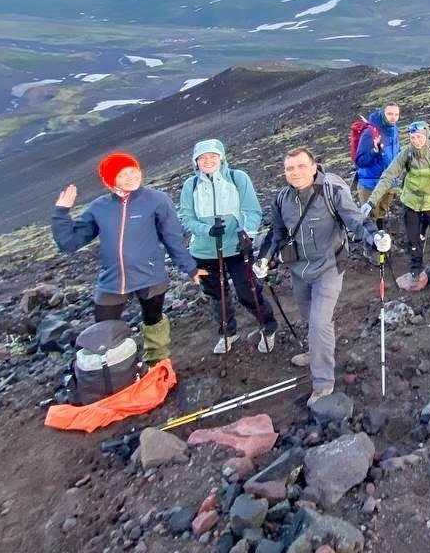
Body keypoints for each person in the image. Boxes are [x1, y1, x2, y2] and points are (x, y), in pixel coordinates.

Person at [52, 151, 201, 363]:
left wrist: (191, 269)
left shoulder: (157, 200)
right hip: (112, 281)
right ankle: (113, 368)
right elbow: (69, 243)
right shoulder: (99, 207)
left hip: (150, 277)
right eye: (123, 174)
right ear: (110, 180)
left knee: (153, 320)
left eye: (134, 171)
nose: (132, 177)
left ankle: (158, 363)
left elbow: (172, 239)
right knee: (102, 329)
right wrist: (61, 212)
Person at [263, 146, 383, 406]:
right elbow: (278, 235)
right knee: (309, 318)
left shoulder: (332, 191)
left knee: (319, 322)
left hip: (329, 267)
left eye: (301, 166)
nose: (295, 173)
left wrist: (375, 237)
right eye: (289, 168)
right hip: (299, 270)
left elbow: (356, 221)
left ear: (314, 166)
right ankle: (316, 351)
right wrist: (266, 260)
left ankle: (323, 384)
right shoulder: (282, 199)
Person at [177, 138, 277, 354]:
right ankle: (227, 332)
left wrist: (247, 233)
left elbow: (252, 211)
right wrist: (207, 230)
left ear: (221, 157)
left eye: (213, 156)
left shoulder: (238, 178)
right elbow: (185, 217)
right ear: (196, 162)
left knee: (247, 291)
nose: (208, 160)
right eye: (203, 158)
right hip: (203, 252)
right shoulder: (190, 186)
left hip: (237, 248)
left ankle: (268, 327)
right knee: (216, 295)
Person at [366, 121, 430, 286]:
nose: (416, 140)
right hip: (411, 203)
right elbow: (388, 175)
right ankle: (416, 269)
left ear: (426, 136)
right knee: (413, 239)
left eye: (419, 136)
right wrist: (371, 201)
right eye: (412, 137)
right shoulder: (405, 154)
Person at [353, 103, 401, 223]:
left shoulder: (394, 130)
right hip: (370, 185)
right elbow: (360, 161)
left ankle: (381, 238)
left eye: (396, 114)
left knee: (381, 216)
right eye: (389, 114)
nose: (393, 117)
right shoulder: (370, 133)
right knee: (369, 219)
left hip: (388, 182)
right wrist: (375, 151)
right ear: (383, 114)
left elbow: (395, 151)